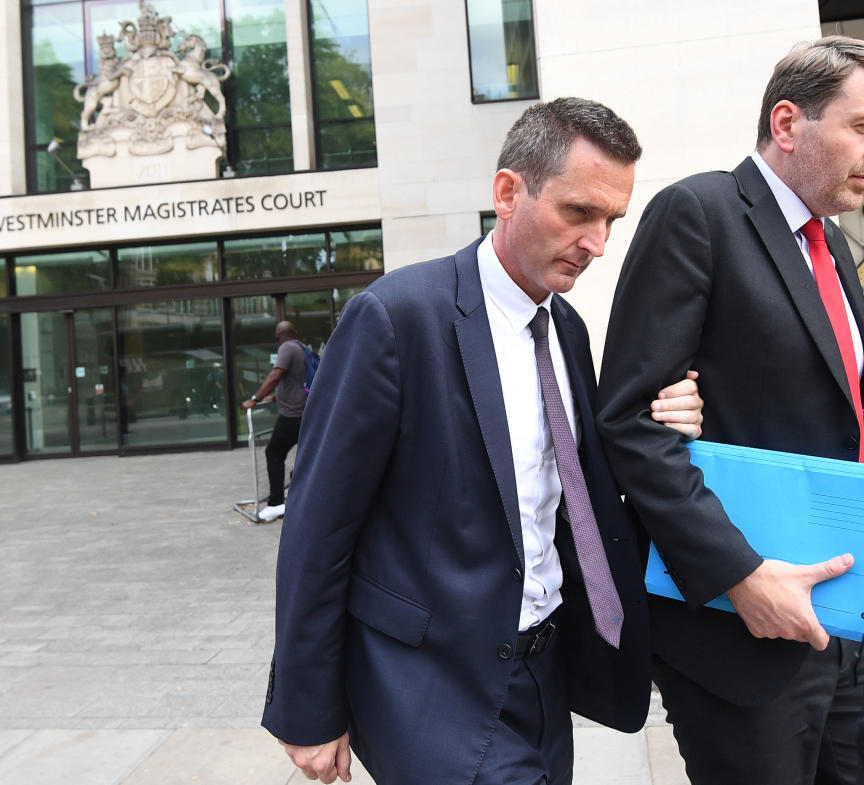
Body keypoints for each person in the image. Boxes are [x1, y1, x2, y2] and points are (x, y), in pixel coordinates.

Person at [261, 97, 704, 785]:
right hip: (425, 683)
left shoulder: (569, 330)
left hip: (544, 676)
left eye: (611, 219)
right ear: (508, 192)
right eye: (579, 212)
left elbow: (571, 492)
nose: (598, 243)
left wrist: (663, 418)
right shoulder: (395, 318)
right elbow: (318, 526)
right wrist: (307, 705)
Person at [595, 36, 864, 785]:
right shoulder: (698, 213)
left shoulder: (830, 243)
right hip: (738, 633)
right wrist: (739, 575)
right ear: (787, 124)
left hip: (842, 622)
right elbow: (631, 422)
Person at [243, 320, 307, 522]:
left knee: (274, 453)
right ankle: (299, 498)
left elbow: (275, 375)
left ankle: (276, 504)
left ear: (278, 336)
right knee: (303, 455)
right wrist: (274, 397)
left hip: (292, 414)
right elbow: (295, 381)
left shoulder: (287, 348)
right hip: (306, 411)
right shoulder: (302, 348)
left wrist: (255, 399)